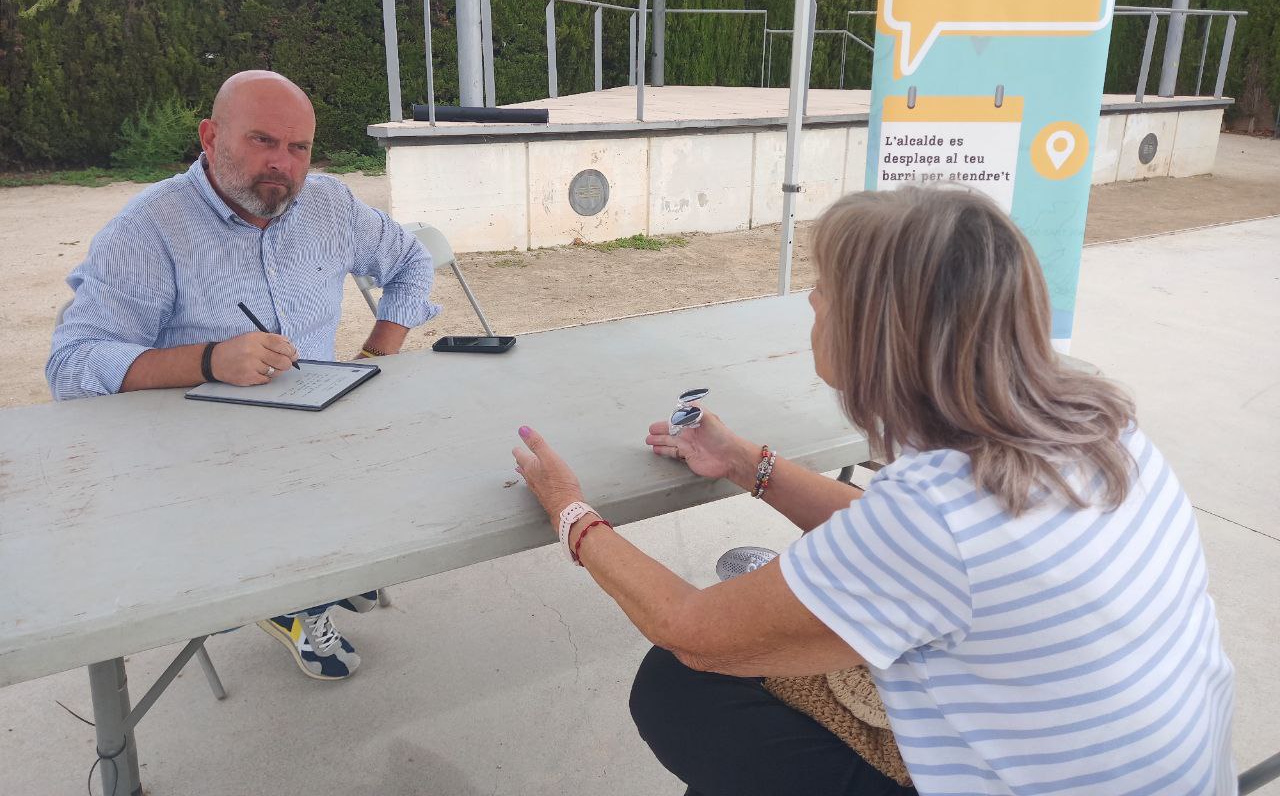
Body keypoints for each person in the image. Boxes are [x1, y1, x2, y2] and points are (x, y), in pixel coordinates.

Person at [512, 186, 1235, 796]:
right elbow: (924, 550)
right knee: (766, 615)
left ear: (874, 332)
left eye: (826, 288)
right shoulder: (1099, 424)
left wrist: (573, 511)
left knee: (679, 688)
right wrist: (743, 462)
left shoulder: (938, 515)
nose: (812, 299)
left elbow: (691, 632)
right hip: (1172, 775)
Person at [47, 70, 440, 681]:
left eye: (298, 147)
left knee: (406, 472)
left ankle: (323, 573)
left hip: (322, 430)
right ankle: (290, 599)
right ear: (210, 137)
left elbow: (412, 263)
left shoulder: (329, 204)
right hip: (203, 465)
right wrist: (208, 359)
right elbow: (72, 366)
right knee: (299, 512)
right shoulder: (150, 227)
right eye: (262, 141)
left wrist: (376, 356)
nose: (281, 163)